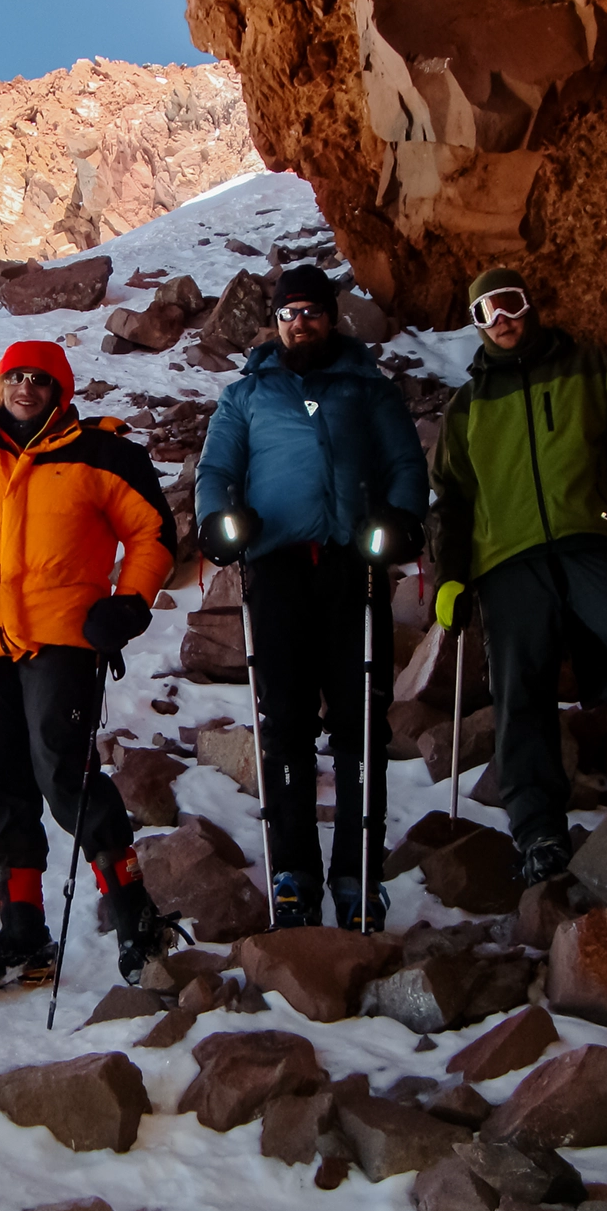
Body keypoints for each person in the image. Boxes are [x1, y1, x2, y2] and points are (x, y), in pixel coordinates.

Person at [0, 339, 180, 989]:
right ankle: (23, 931)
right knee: (1, 779)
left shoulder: (102, 454)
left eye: (40, 379)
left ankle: (134, 918)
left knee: (65, 772)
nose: (25, 388)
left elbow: (154, 535)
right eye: (14, 377)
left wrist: (129, 605)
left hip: (64, 637)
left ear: (60, 390)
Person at [428, 267, 607, 887]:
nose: (502, 320)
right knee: (520, 688)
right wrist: (451, 575)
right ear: (476, 325)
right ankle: (539, 830)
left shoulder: (592, 370)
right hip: (506, 562)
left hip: (590, 541)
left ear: (531, 304)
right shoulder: (467, 405)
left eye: (510, 304)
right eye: (486, 313)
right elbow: (453, 501)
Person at [194, 264, 429, 932]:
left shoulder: (368, 391)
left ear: (332, 318)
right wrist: (217, 519)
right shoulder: (245, 396)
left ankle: (358, 875)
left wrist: (405, 516)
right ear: (276, 322)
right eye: (290, 313)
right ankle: (293, 872)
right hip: (276, 569)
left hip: (353, 566)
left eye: (313, 312)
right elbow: (217, 470)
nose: (302, 322)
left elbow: (404, 466)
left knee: (360, 723)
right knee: (286, 720)